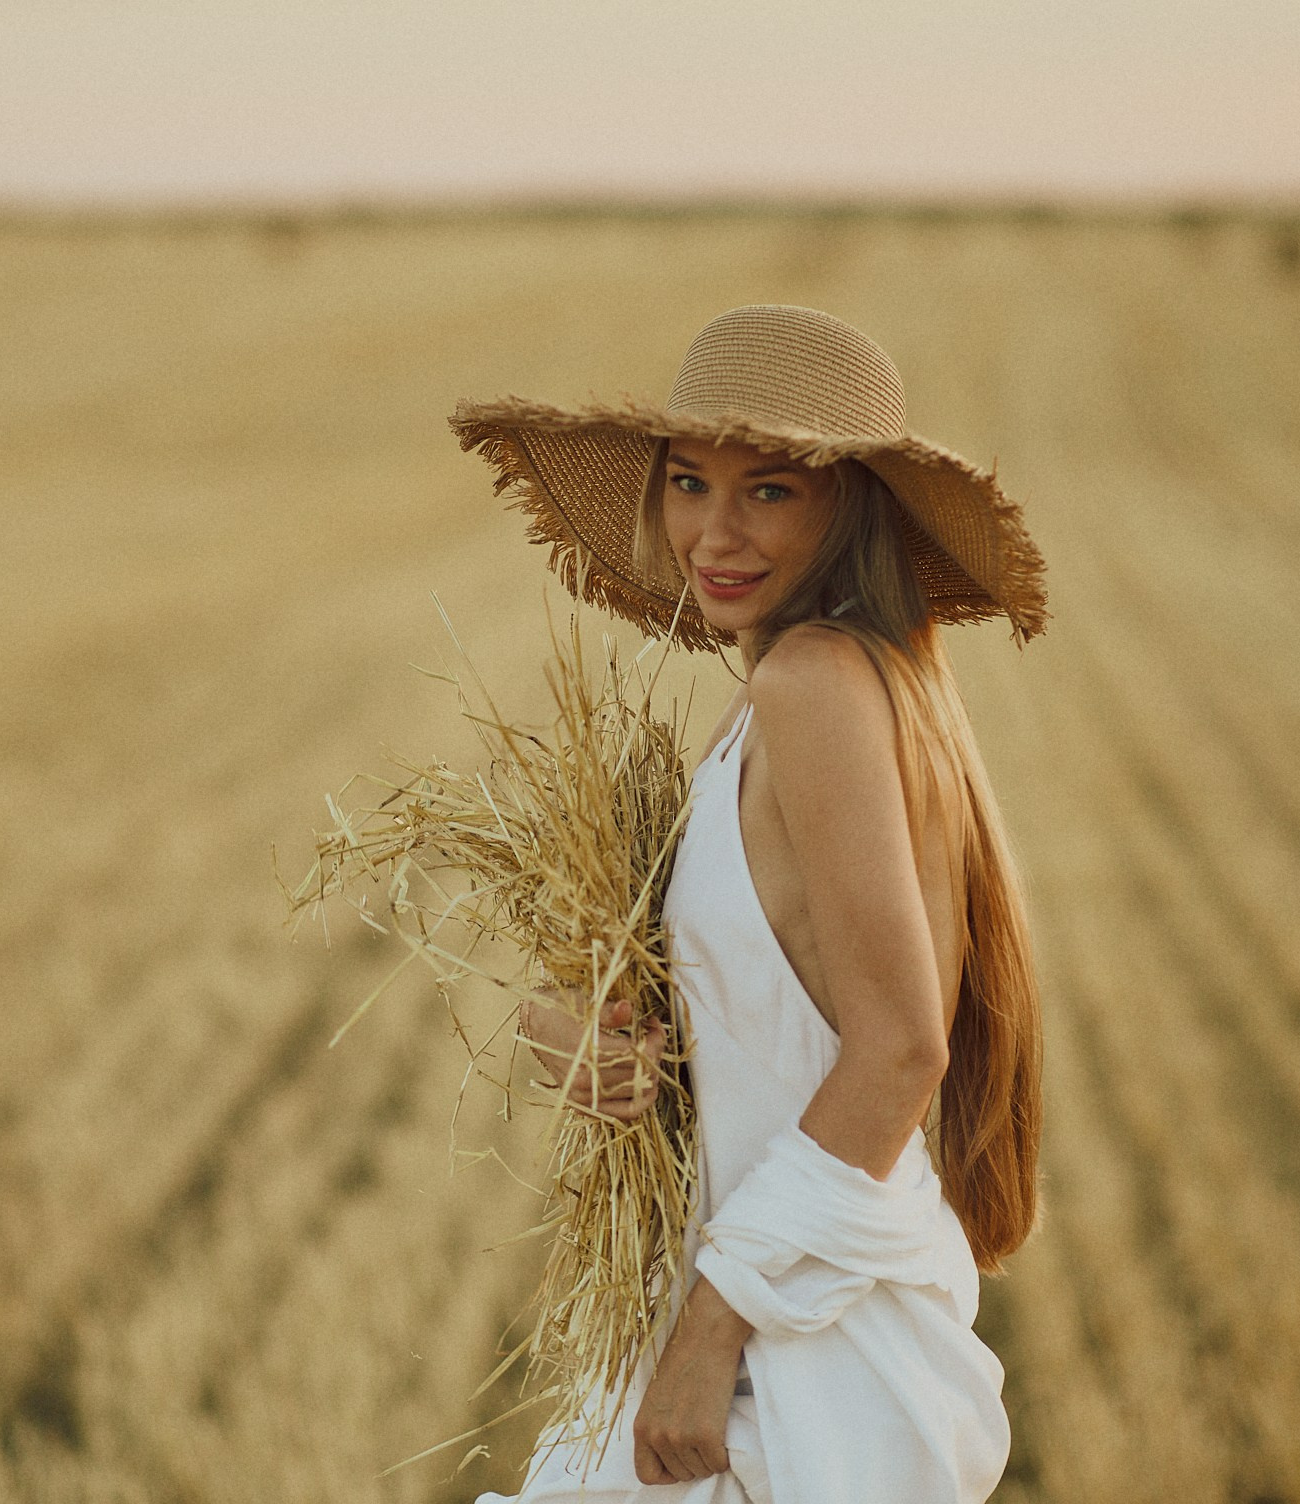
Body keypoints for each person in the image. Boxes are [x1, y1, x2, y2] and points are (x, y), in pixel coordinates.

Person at [446, 305, 1048, 1503]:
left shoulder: (814, 685)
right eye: (688, 481)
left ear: (850, 505)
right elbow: (776, 1019)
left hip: (800, 1362)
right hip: (780, 1316)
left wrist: (710, 1330)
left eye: (769, 489)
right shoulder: (810, 686)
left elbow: (897, 1048)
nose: (713, 532)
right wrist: (605, 1045)